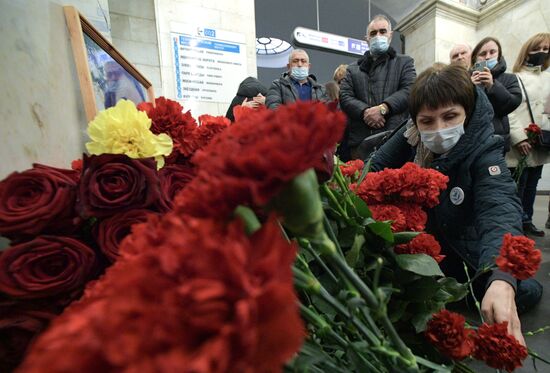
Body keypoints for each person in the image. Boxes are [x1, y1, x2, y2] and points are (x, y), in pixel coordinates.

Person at [371, 64, 542, 344]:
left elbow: (498, 208)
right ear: (415, 121)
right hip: (421, 247)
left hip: (465, 250)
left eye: (450, 116)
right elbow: (374, 167)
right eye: (427, 121)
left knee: (522, 290)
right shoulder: (410, 133)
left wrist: (501, 278)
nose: (439, 129)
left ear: (468, 111)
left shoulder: (485, 149)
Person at [339, 14, 416, 159]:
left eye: (382, 31)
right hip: (359, 142)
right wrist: (365, 112)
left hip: (395, 139)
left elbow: (410, 89)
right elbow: (345, 96)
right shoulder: (352, 69)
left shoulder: (405, 62)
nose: (378, 36)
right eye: (373, 33)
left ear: (390, 35)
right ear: (366, 38)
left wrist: (383, 108)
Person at [506, 33, 550, 236]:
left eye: (546, 49)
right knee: (518, 185)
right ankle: (514, 222)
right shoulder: (515, 77)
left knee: (532, 183)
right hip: (522, 141)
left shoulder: (547, 77)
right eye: (537, 48)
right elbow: (510, 110)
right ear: (527, 51)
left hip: (540, 142)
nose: (542, 53)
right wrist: (519, 137)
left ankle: (527, 220)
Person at [470, 37, 522, 152]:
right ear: (475, 58)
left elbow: (512, 103)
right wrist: (470, 87)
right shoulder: (465, 79)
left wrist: (492, 85)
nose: (488, 57)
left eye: (492, 52)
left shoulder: (510, 78)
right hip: (470, 140)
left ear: (499, 55)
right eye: (482, 54)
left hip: (497, 141)